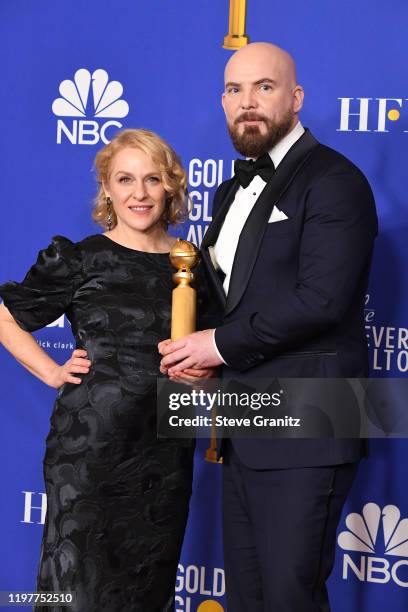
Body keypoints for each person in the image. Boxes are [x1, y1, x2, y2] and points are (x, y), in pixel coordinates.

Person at [159, 43, 378, 611]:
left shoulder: (335, 180)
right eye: (234, 90)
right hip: (243, 423)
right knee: (250, 598)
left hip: (311, 422)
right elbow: (230, 300)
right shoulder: (232, 191)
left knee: (288, 598)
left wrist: (217, 345)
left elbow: (322, 300)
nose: (247, 103)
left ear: (296, 97)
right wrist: (199, 353)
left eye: (264, 87)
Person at [0, 128, 207, 612]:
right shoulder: (82, 257)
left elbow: (211, 350)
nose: (139, 193)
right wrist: (51, 371)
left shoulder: (191, 264)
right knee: (79, 591)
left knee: (147, 590)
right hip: (88, 456)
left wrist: (203, 377)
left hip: (163, 456)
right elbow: (7, 318)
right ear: (108, 189)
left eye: (152, 179)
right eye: (125, 179)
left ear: (171, 186)